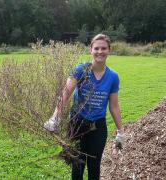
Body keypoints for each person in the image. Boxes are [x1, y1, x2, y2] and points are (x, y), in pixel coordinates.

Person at [44, 34, 124, 180]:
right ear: (91, 50)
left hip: (98, 127)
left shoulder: (113, 77)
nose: (100, 51)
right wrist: (55, 117)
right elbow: (65, 94)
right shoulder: (81, 70)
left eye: (103, 48)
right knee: (77, 165)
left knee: (94, 167)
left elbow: (114, 106)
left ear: (109, 50)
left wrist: (121, 132)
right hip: (77, 124)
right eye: (96, 48)